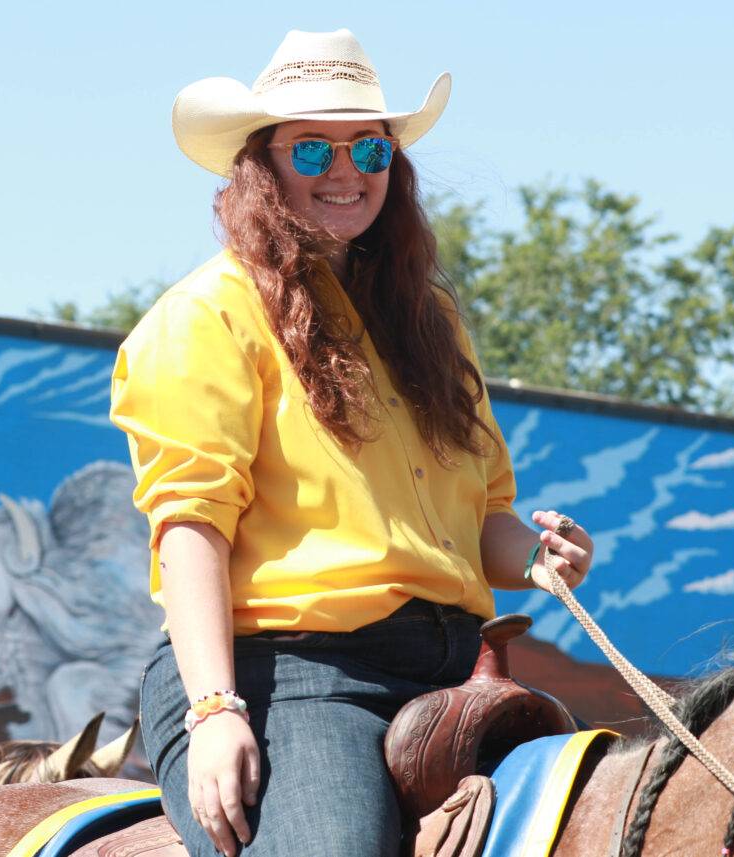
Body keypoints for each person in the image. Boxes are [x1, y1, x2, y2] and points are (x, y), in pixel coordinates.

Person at [109, 29, 595, 857]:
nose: (347, 170)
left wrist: (540, 555)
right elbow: (190, 529)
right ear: (259, 164)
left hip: (455, 669)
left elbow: (484, 526)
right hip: (290, 678)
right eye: (312, 149)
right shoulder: (205, 315)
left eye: (369, 146)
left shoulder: (430, 323)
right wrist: (216, 711)